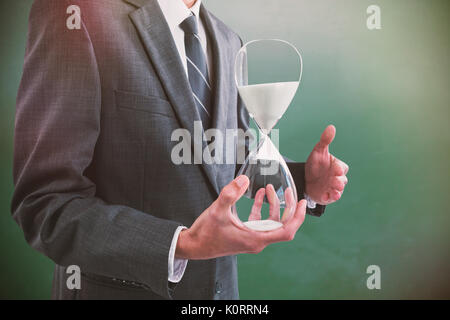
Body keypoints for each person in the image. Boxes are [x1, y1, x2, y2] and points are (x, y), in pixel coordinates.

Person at [11, 0, 349, 299]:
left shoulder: (229, 41)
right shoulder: (77, 14)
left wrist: (302, 181)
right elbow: (46, 204)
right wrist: (182, 244)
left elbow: (232, 153)